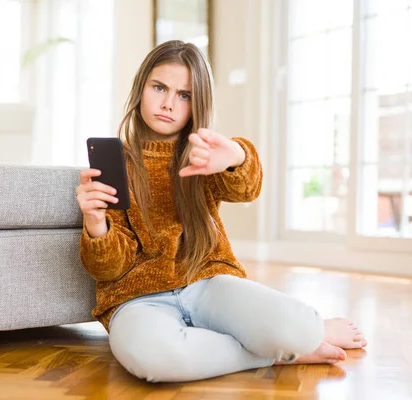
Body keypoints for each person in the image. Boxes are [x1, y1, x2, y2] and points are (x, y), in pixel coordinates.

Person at [75, 40, 366, 383]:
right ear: (141, 89)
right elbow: (109, 268)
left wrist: (235, 157)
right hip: (137, 301)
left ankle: (293, 342)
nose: (168, 103)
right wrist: (96, 224)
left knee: (302, 329)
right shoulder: (114, 165)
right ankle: (276, 354)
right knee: (155, 360)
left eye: (184, 95)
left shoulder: (205, 154)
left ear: (197, 104)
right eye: (159, 88)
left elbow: (247, 188)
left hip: (209, 283)